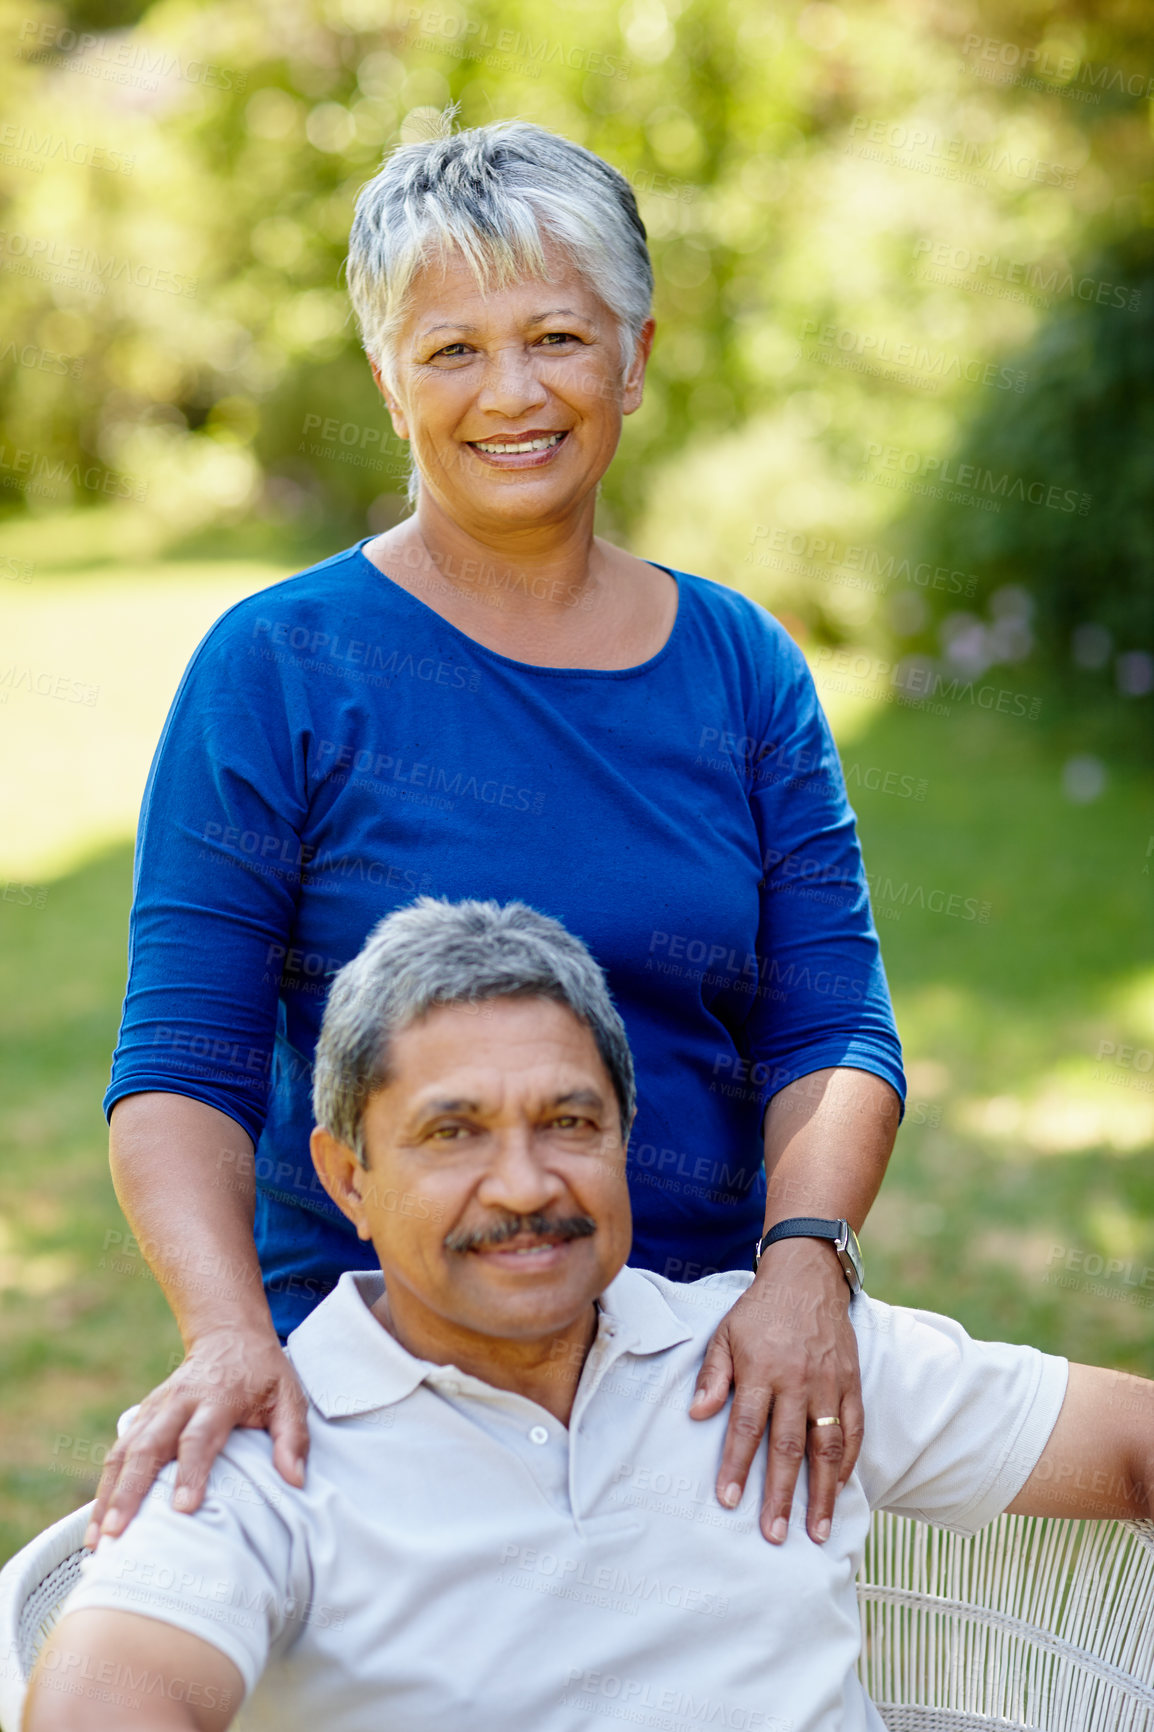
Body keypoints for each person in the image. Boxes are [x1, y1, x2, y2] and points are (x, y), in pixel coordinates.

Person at [90, 113, 905, 1558]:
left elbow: (831, 1025)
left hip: (706, 1372)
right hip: (378, 1378)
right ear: (388, 382)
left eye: (556, 338)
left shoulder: (741, 667)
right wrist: (230, 1338)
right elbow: (180, 1065)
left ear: (635, 357)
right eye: (452, 348)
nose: (510, 392)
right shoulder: (276, 669)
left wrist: (803, 1269)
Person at [28, 899, 1154, 1732]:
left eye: (568, 1121)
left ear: (625, 1137)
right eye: (452, 1132)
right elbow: (105, 1699)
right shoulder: (257, 1446)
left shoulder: (779, 1358)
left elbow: (1128, 1445)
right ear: (348, 1176)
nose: (523, 1184)